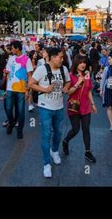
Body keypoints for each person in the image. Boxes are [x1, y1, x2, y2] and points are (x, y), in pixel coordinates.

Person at [29, 47, 70, 178]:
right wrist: (45, 89)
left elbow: (68, 81)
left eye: (63, 57)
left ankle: (54, 151)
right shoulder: (42, 69)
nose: (62, 60)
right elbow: (31, 84)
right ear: (52, 57)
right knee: (46, 134)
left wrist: (66, 87)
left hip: (59, 106)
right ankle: (46, 164)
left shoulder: (64, 69)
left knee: (58, 132)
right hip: (45, 107)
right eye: (60, 57)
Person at [63, 55, 97, 163]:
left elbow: (89, 91)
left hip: (86, 106)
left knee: (86, 129)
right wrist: (78, 83)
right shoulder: (70, 76)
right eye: (81, 62)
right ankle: (65, 140)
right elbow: (68, 92)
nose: (83, 65)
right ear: (76, 63)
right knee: (76, 129)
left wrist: (93, 104)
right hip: (74, 106)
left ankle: (87, 152)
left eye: (84, 63)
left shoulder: (87, 75)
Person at [5, 41, 34, 139]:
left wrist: (27, 89)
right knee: (8, 108)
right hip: (10, 88)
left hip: (21, 89)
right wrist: (6, 86)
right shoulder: (11, 59)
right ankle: (12, 122)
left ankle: (19, 130)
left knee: (21, 111)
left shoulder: (26, 59)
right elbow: (8, 72)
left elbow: (29, 75)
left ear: (17, 48)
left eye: (12, 48)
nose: (11, 50)